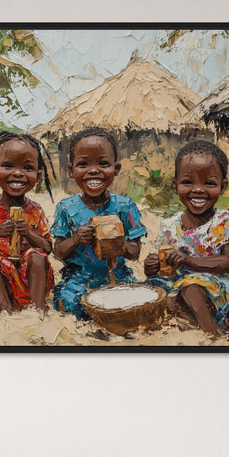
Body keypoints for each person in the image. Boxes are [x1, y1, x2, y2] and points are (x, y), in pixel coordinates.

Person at [143, 139, 229, 337]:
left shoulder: (224, 221)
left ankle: (211, 332)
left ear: (222, 187)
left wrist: (189, 261)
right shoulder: (169, 225)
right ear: (175, 186)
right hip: (178, 286)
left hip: (214, 290)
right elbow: (166, 268)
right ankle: (190, 317)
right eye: (187, 182)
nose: (198, 190)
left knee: (191, 287)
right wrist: (152, 266)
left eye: (209, 183)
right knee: (152, 292)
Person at [50, 127, 146, 317]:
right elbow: (58, 252)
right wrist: (76, 239)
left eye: (103, 163)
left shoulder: (124, 206)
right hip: (80, 277)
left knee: (132, 305)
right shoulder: (66, 208)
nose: (93, 170)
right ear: (71, 170)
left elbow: (134, 253)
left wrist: (116, 242)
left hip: (117, 276)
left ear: (115, 169)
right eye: (83, 164)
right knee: (70, 303)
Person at [0, 131, 55, 312]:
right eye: (8, 166)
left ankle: (37, 309)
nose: (18, 174)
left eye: (27, 168)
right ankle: (6, 310)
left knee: (37, 257)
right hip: (0, 278)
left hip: (28, 277)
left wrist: (28, 233)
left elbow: (47, 247)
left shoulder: (34, 210)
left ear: (38, 174)